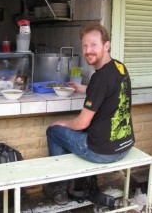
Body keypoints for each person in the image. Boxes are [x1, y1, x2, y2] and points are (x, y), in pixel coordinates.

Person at [44, 23, 135, 205]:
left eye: (93, 45)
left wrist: (63, 122)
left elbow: (82, 123)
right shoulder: (119, 67)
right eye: (85, 45)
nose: (88, 50)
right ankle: (79, 184)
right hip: (124, 144)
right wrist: (84, 88)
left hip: (103, 152)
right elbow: (107, 90)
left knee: (53, 131)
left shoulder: (100, 77)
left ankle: (59, 189)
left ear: (106, 45)